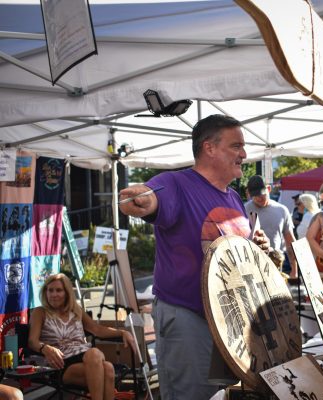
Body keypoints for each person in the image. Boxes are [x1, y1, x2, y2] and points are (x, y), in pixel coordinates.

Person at [118, 114, 269, 399]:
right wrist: (140, 198)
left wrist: (253, 245)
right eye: (236, 146)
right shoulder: (176, 183)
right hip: (189, 317)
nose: (244, 154)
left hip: (230, 323)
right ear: (209, 147)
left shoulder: (234, 197)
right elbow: (150, 197)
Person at [28, 274, 137, 400]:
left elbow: (97, 329)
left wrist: (122, 333)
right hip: (61, 363)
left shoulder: (76, 310)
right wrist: (45, 348)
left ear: (67, 293)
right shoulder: (40, 312)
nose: (53, 294)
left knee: (108, 368)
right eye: (50, 290)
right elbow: (32, 341)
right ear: (45, 292)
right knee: (99, 359)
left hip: (86, 358)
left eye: (59, 290)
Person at [245, 175, 298, 277]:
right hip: (250, 267)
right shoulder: (243, 210)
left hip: (275, 266)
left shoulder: (282, 210)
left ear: (268, 189)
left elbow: (290, 241)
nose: (258, 198)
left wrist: (294, 269)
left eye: (261, 194)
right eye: (254, 196)